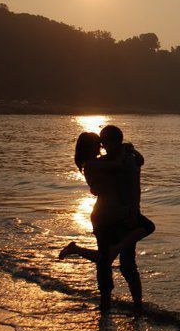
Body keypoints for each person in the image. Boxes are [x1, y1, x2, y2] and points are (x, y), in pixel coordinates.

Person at [59, 130, 154, 312]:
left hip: (118, 213)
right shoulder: (93, 164)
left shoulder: (103, 161)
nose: (101, 146)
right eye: (98, 143)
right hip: (104, 216)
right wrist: (127, 150)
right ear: (90, 147)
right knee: (107, 261)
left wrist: (130, 151)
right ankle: (107, 304)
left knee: (119, 262)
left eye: (102, 143)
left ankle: (132, 306)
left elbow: (137, 162)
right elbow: (118, 165)